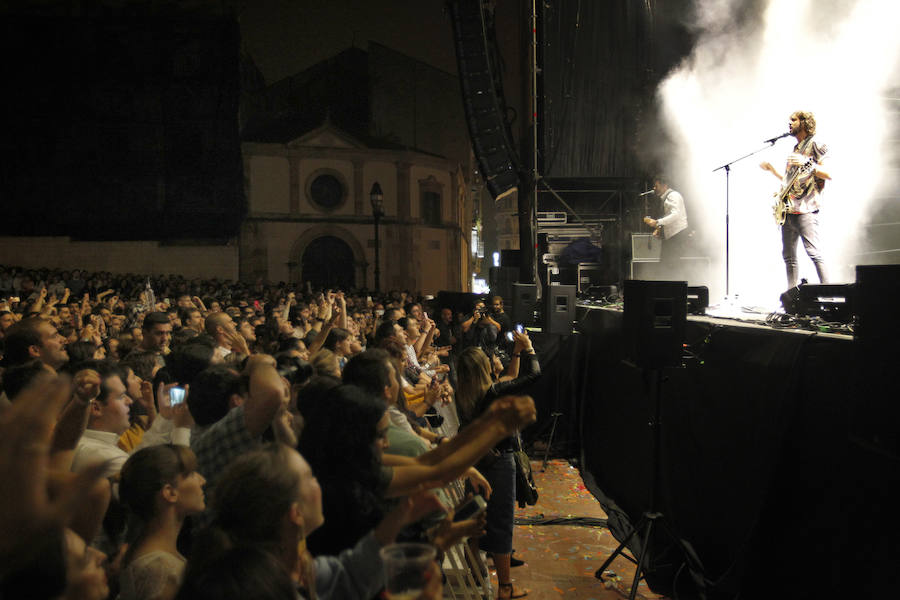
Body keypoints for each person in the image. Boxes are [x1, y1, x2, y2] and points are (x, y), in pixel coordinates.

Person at [456, 331, 540, 600]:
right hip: (499, 465)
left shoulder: (466, 394)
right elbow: (533, 376)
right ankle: (505, 587)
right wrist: (529, 349)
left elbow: (509, 380)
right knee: (502, 523)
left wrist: (514, 353)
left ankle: (476, 576)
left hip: (476, 463)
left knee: (476, 519)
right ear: (484, 367)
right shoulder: (492, 392)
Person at [118, 445, 206, 600]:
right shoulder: (160, 569)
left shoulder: (147, 551)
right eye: (191, 474)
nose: (202, 481)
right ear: (170, 492)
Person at [760, 110, 831, 288]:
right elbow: (790, 182)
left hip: (806, 209)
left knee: (813, 252)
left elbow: (829, 173)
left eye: (793, 120)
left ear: (804, 123)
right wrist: (773, 171)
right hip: (789, 210)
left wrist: (807, 163)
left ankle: (828, 292)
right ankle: (791, 297)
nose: (789, 123)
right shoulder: (796, 149)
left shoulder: (816, 144)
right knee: (789, 257)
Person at [643, 174, 689, 269]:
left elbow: (676, 214)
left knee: (670, 265)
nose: (654, 188)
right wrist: (660, 229)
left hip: (677, 236)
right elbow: (669, 217)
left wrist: (657, 222)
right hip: (672, 236)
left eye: (656, 186)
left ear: (665, 186)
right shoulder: (667, 197)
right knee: (667, 264)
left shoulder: (673, 196)